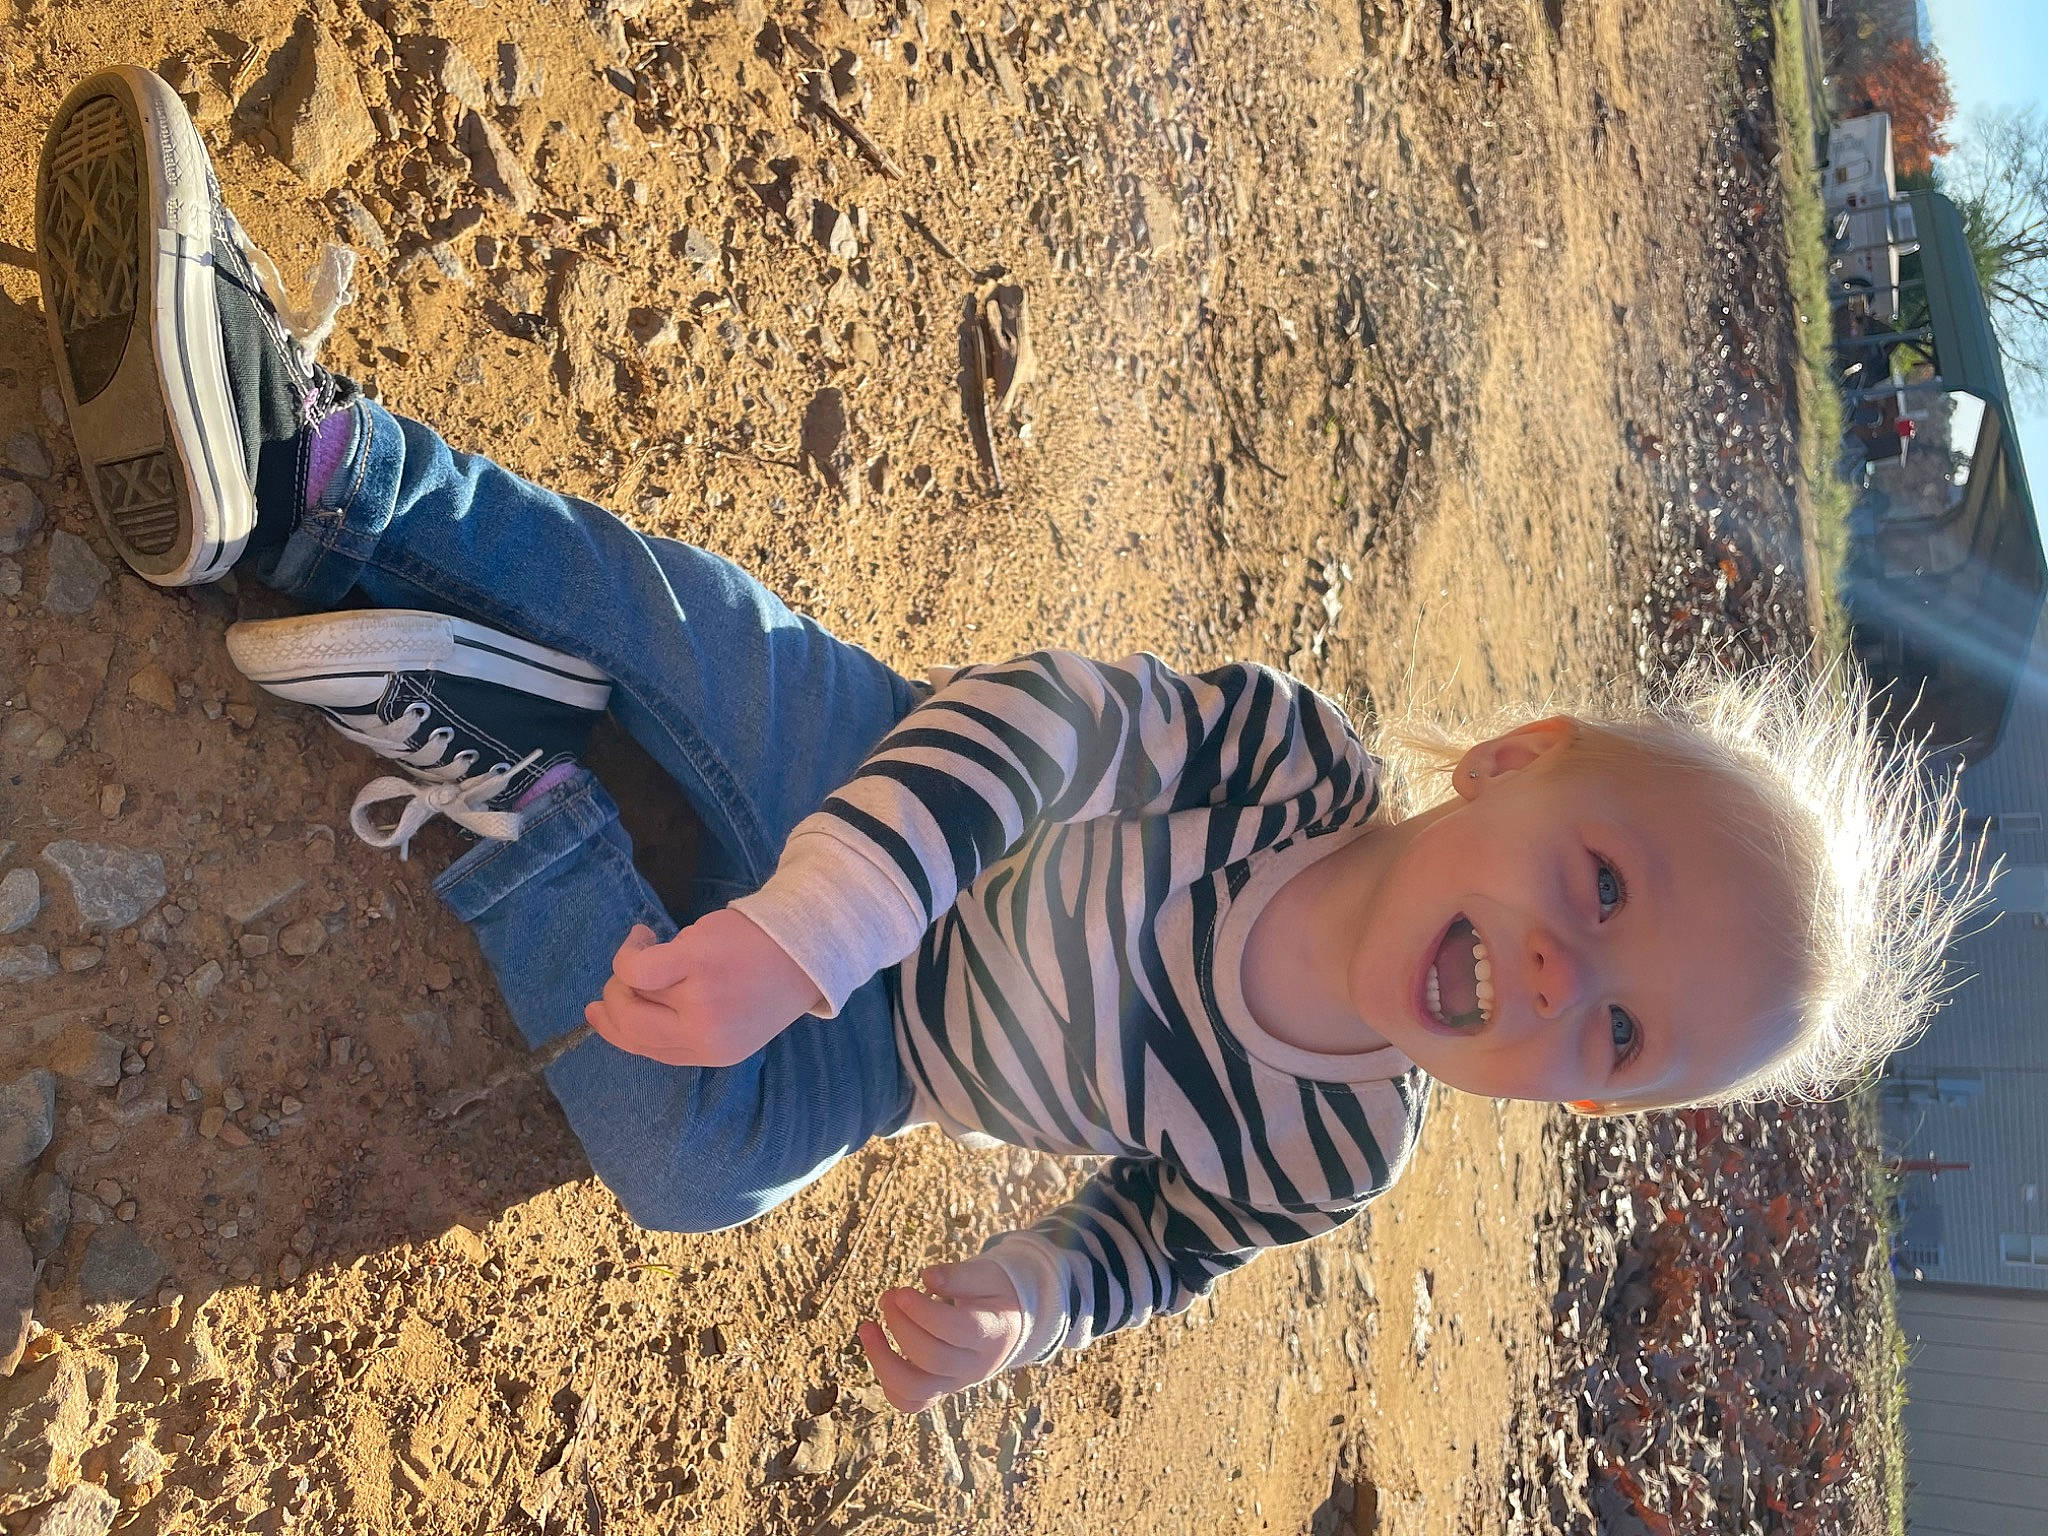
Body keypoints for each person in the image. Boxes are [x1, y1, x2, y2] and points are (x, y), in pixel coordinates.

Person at [36, 67, 1979, 1413]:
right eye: (1604, 884)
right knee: (690, 624)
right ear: (1514, 760)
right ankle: (314, 463)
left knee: (699, 1170)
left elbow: (1151, 1243)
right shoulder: (1287, 767)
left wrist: (1021, 1308)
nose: (1562, 978)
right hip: (864, 776)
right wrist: (814, 922)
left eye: (1617, 1035)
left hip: (885, 1052)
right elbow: (1036, 726)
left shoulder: (1330, 1148)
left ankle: (521, 792)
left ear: (1582, 1108)